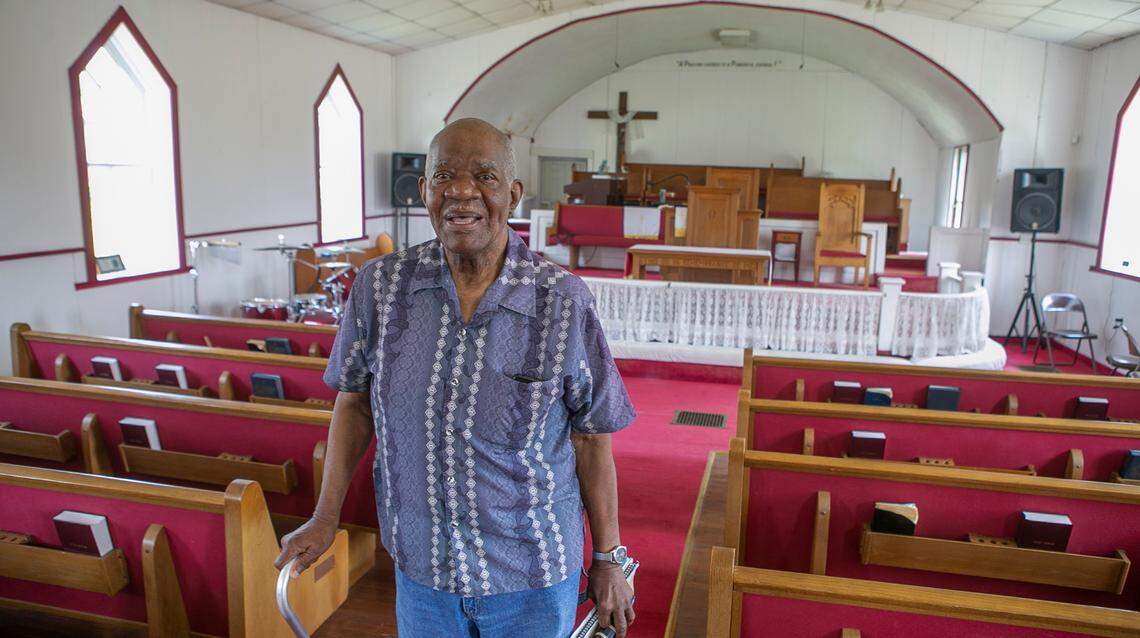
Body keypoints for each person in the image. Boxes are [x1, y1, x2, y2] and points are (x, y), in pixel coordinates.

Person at [276, 118, 637, 637]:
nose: (461, 191)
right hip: (424, 573)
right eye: (444, 175)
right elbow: (354, 403)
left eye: (484, 176)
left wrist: (608, 556)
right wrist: (325, 515)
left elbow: (590, 437)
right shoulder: (380, 289)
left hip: (530, 574)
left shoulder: (561, 300)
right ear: (424, 190)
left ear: (511, 194)